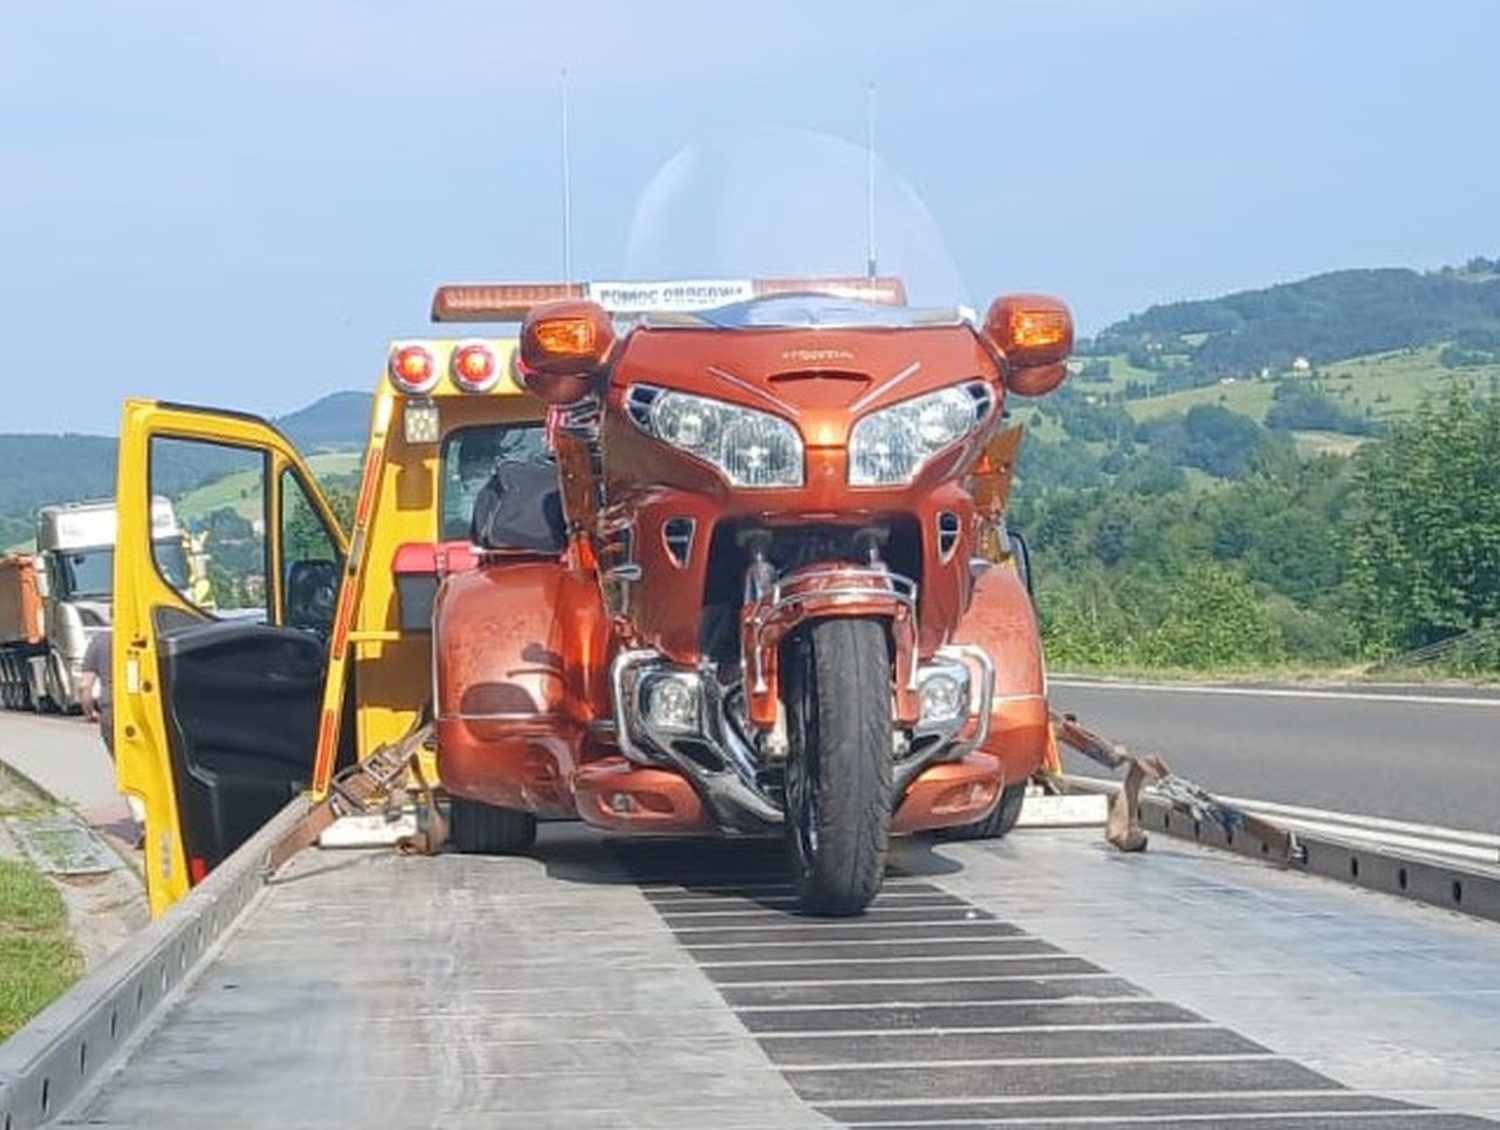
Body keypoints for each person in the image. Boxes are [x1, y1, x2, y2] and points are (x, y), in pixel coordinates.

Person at [79, 628, 113, 758]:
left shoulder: (98, 642)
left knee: (123, 763)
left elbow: (85, 686)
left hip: (111, 707)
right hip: (146, 704)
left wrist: (89, 712)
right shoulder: (145, 635)